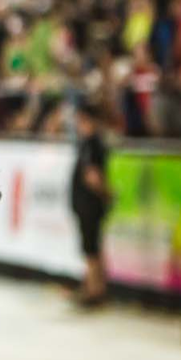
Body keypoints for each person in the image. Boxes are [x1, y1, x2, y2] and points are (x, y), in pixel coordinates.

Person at [70, 103, 111, 306]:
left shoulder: (91, 144)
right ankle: (94, 286)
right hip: (88, 203)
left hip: (89, 203)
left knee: (91, 248)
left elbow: (92, 176)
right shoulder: (91, 143)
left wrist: (106, 193)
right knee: (93, 246)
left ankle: (94, 290)